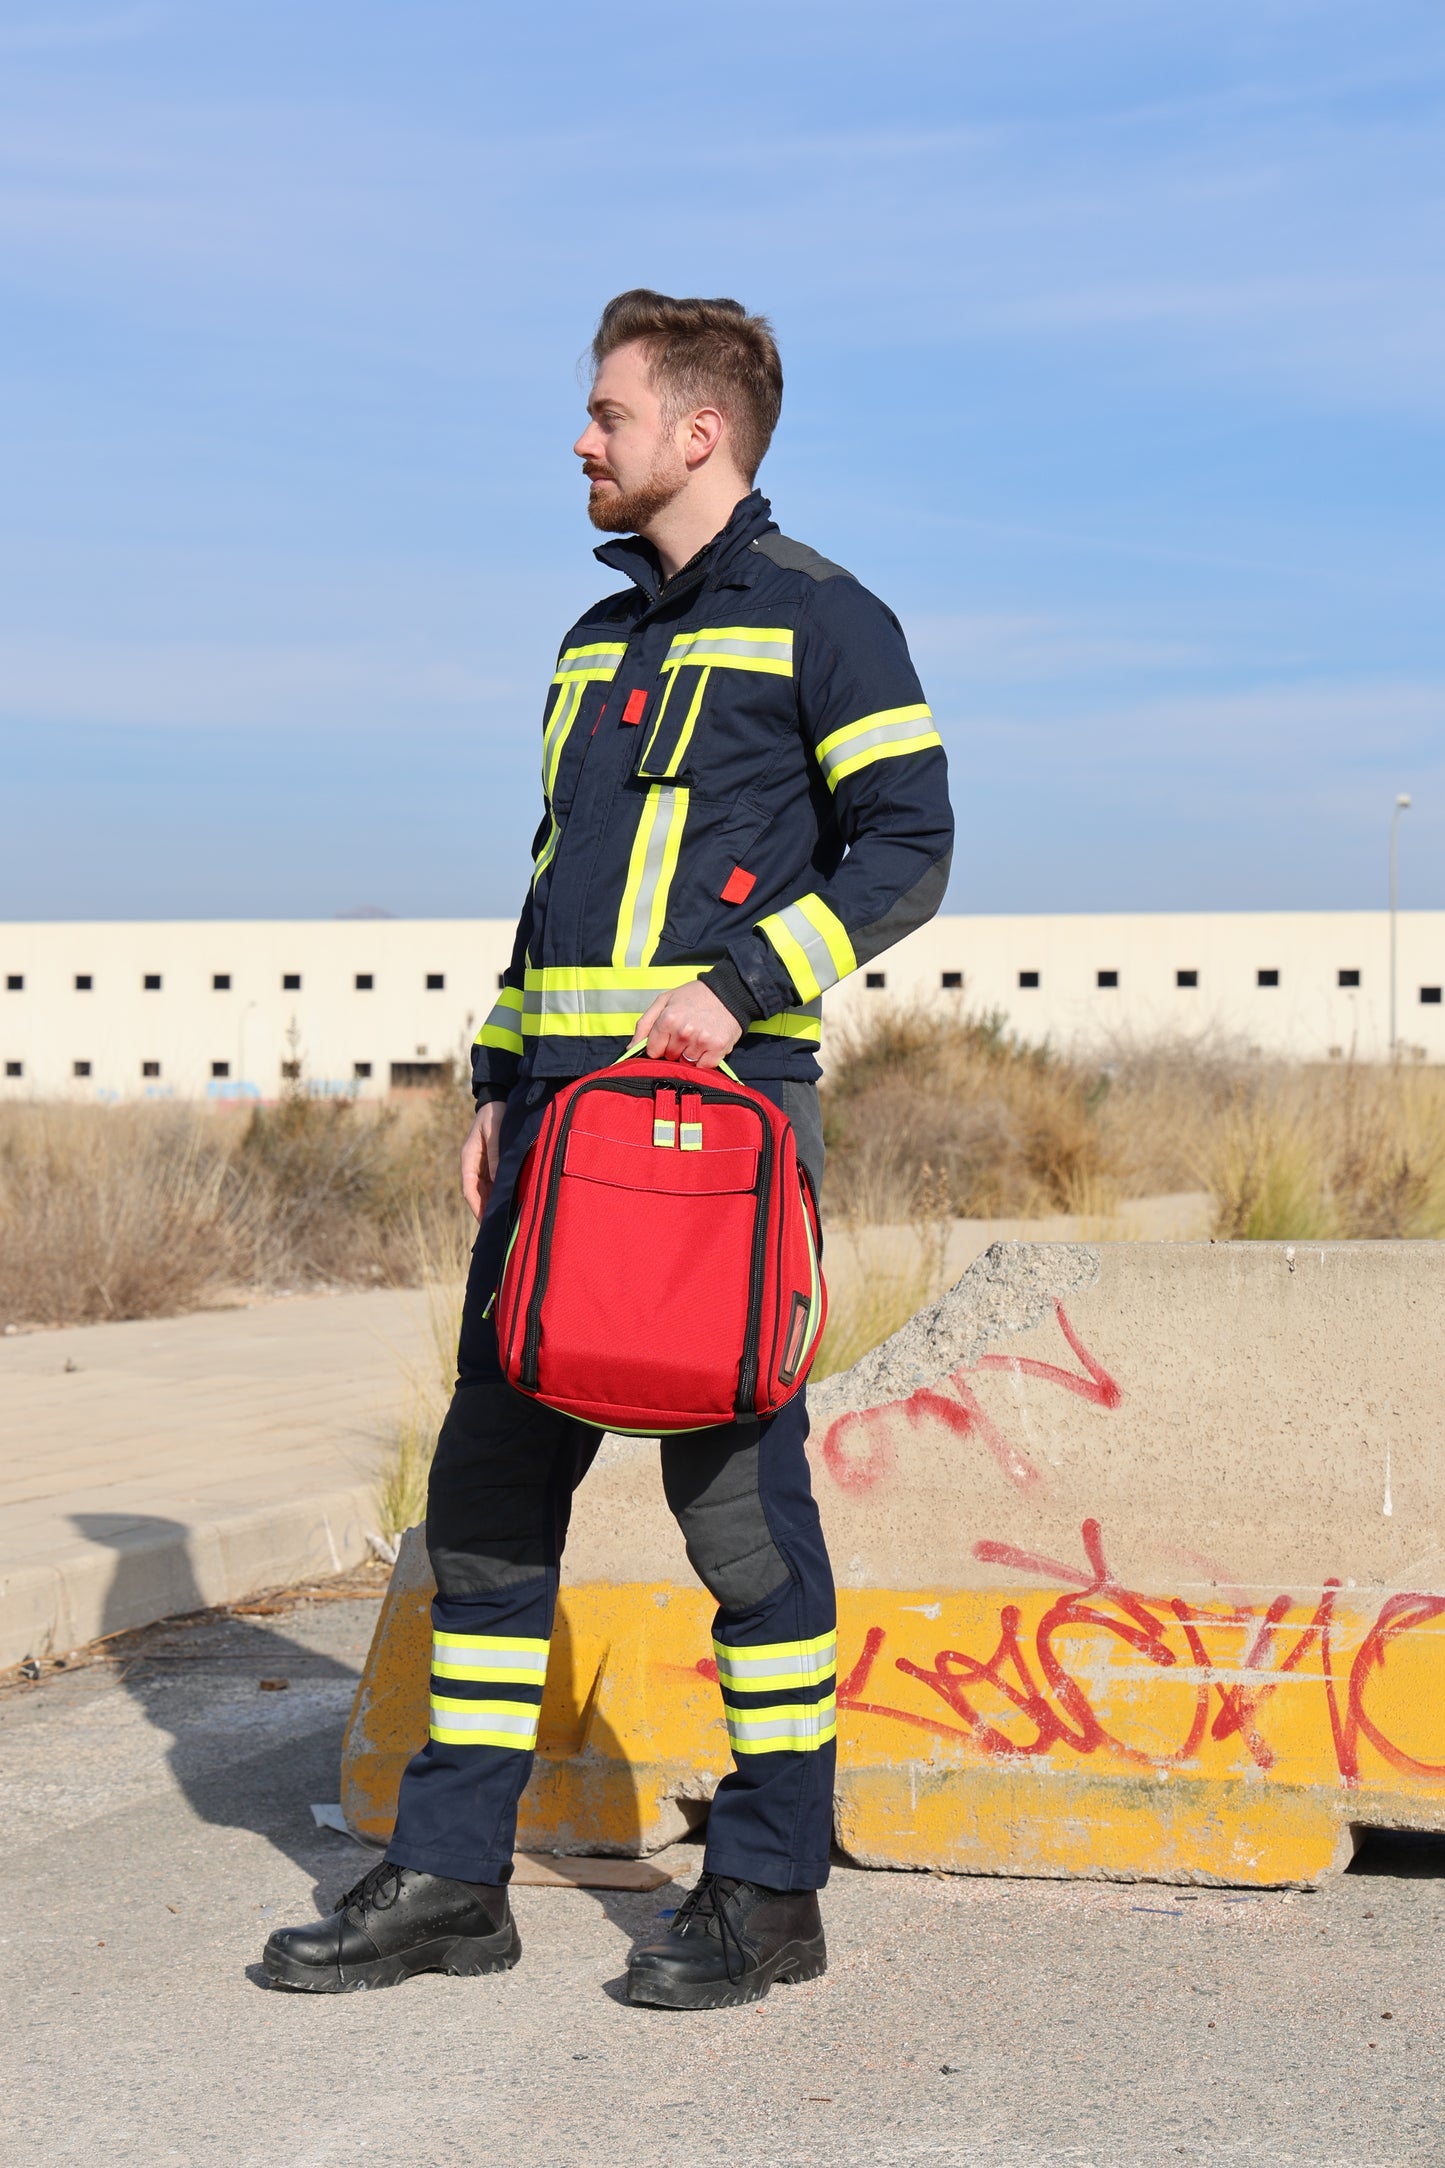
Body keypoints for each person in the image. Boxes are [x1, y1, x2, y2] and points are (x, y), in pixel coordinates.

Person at [264, 289, 954, 2008]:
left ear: (696, 432)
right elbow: (556, 885)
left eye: (606, 413)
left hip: (711, 1141)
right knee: (486, 1506)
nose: (582, 440)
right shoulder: (596, 641)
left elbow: (910, 844)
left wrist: (737, 993)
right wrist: (496, 1078)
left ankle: (771, 1888)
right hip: (560, 1135)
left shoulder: (825, 621)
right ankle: (447, 1877)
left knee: (739, 1522)